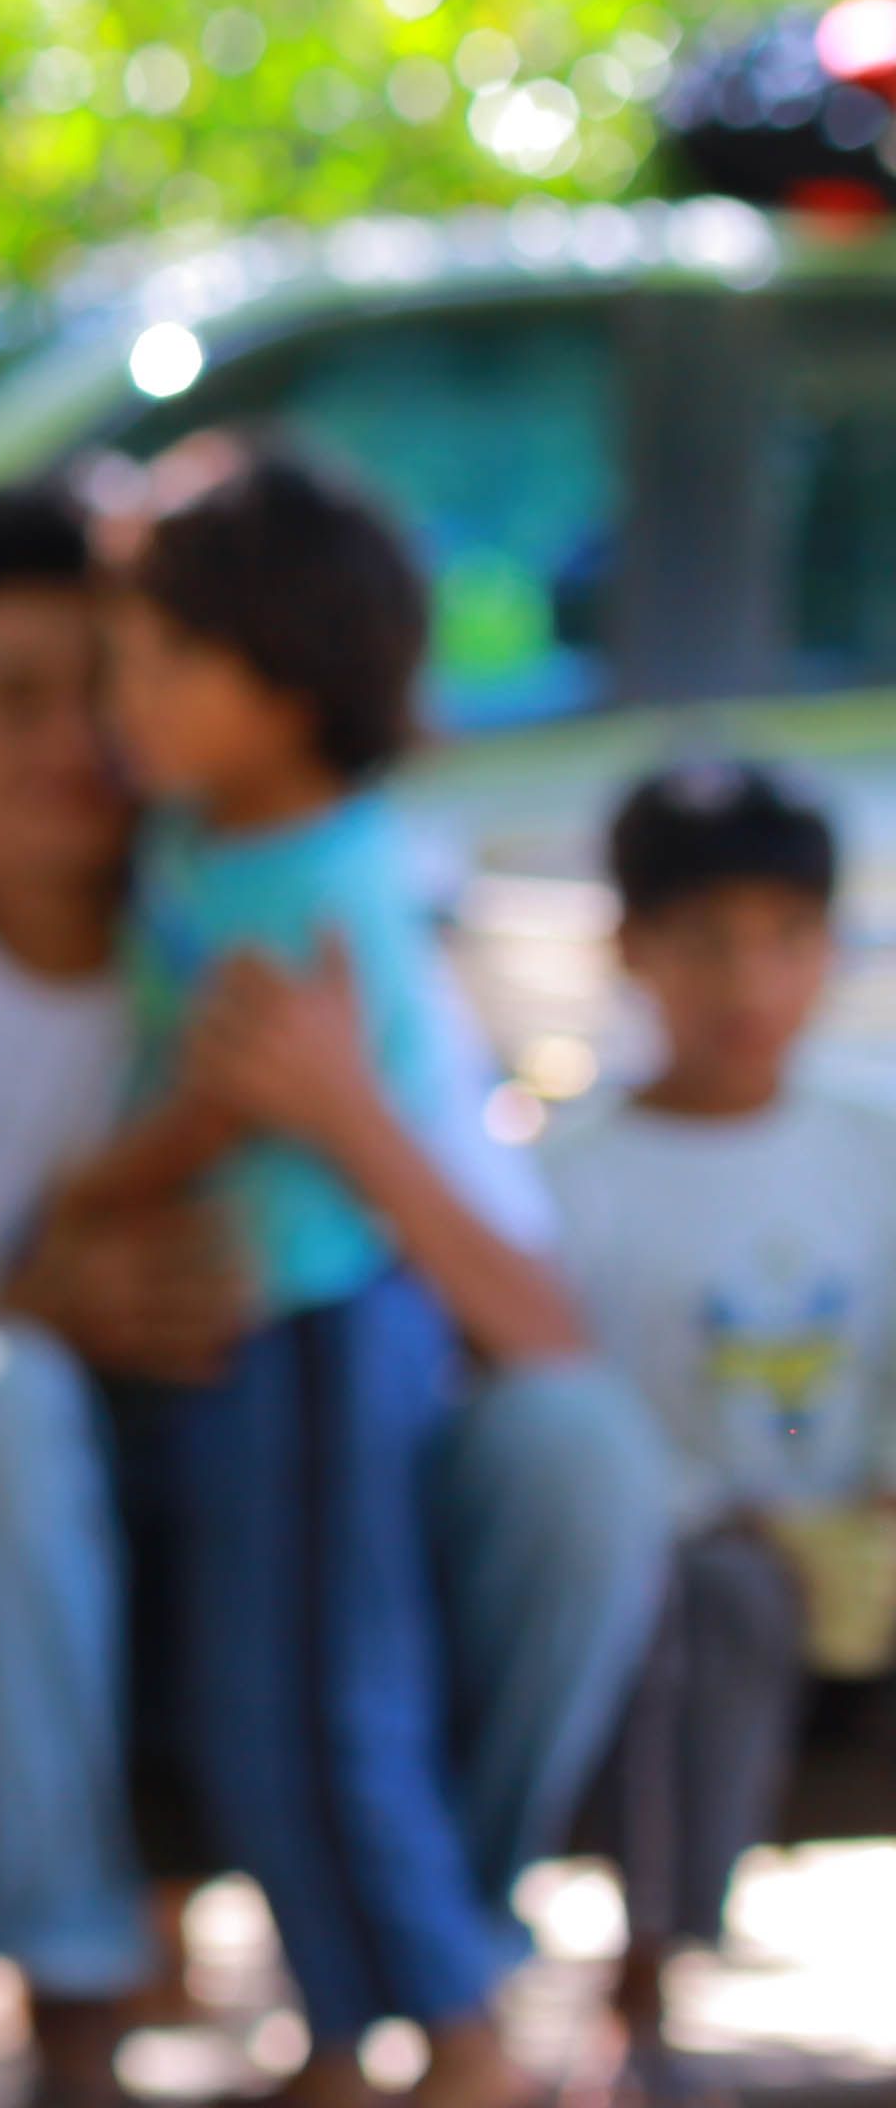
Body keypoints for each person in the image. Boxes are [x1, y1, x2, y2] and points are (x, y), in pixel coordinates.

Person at [0, 483, 669, 2108]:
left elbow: (543, 1330)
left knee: (580, 1447)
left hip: (316, 1522)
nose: (88, 732)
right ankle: (81, 2012)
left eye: (120, 675)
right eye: (17, 697)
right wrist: (25, 1305)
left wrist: (343, 1109)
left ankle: (436, 1997)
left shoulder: (298, 919)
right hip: (39, 1604)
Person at [52, 447, 536, 2108]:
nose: (122, 693)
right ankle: (339, 2033)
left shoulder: (324, 875)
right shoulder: (198, 847)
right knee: (254, 1699)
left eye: (160, 657)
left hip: (327, 1328)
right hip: (245, 1337)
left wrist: (85, 1194)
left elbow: (214, 1109)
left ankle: (464, 2036)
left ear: (282, 679)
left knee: (337, 1703)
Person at [548, 761, 896, 2065]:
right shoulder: (571, 1184)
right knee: (710, 1609)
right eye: (707, 944)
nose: (749, 985)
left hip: (871, 1581)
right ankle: (645, 2012)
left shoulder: (874, 1144)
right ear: (633, 950)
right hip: (693, 1597)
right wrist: (731, 1523)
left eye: (785, 941)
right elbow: (565, 1421)